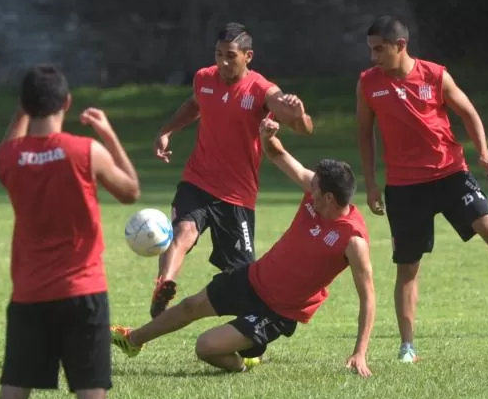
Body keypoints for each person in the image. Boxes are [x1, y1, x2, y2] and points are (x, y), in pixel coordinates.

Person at [112, 112, 375, 378]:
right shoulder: (316, 193)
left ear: (329, 197)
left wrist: (359, 352)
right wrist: (267, 137)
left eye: (315, 187)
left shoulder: (352, 240)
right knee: (191, 306)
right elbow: (278, 156)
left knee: (205, 347)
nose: (310, 187)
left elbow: (368, 298)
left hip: (276, 311)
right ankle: (132, 340)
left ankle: (242, 363)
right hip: (252, 279)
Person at [0, 64, 141, 399]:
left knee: (12, 395)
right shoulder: (85, 151)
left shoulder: (8, 158)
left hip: (30, 295)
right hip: (83, 292)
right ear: (67, 104)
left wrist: (21, 112)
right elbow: (130, 191)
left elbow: (9, 143)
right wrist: (109, 133)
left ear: (24, 106)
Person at [356, 16, 488, 363]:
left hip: (450, 174)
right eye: (371, 50)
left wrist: (485, 156)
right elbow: (364, 135)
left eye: (379, 50)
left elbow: (469, 113)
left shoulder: (434, 75)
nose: (373, 58)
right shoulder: (368, 84)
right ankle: (407, 346)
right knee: (408, 267)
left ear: (401, 46)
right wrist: (370, 184)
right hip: (404, 185)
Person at [147, 22, 314, 318]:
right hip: (197, 180)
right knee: (183, 231)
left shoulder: (262, 89)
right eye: (218, 54)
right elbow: (195, 104)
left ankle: (246, 336)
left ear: (248, 56)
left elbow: (302, 128)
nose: (223, 62)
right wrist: (166, 131)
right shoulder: (203, 78)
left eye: (231, 56)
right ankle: (165, 285)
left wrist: (298, 114)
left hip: (236, 197)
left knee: (241, 274)